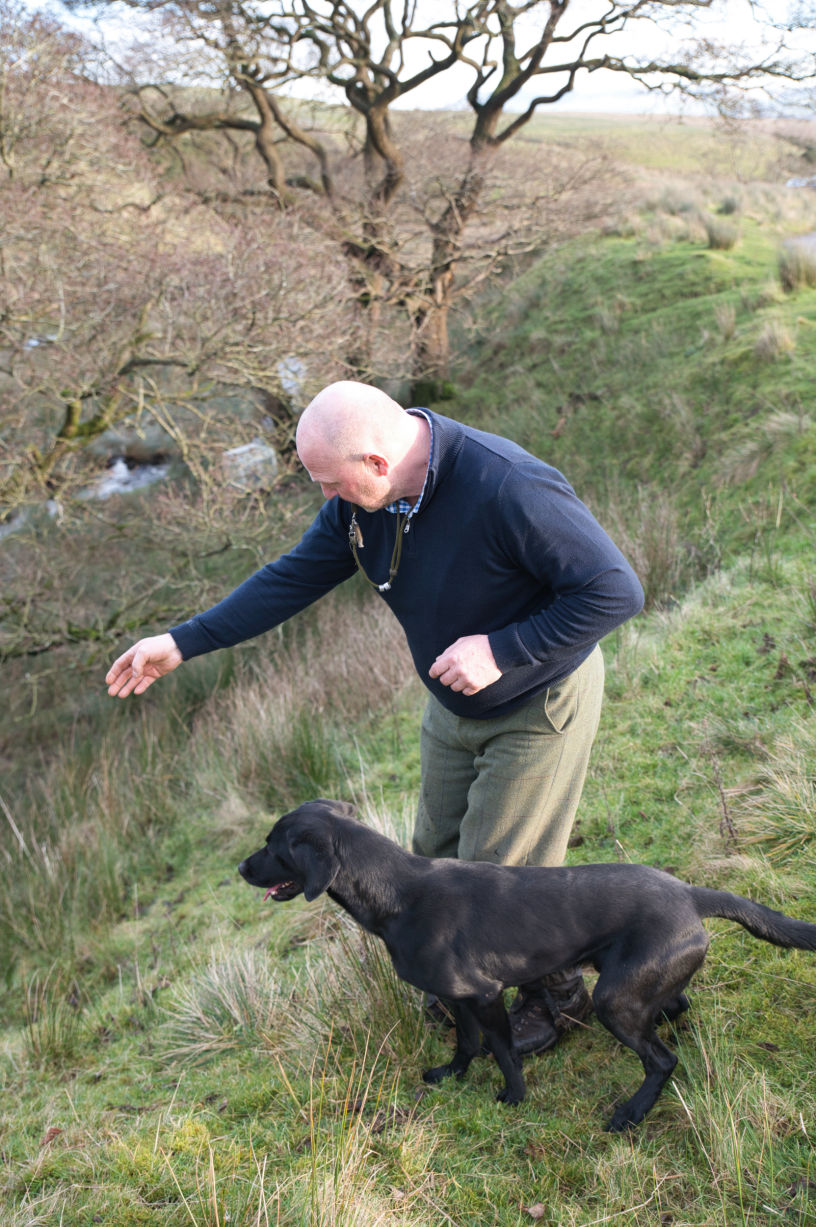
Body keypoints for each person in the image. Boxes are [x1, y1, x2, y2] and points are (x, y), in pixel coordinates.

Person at [106, 380, 644, 1053]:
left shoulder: (508, 487)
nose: (326, 501)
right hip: (451, 706)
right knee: (431, 860)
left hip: (537, 701)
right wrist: (182, 641)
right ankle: (465, 977)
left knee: (500, 875)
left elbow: (616, 589)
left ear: (378, 463)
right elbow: (292, 575)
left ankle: (558, 999)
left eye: (332, 484)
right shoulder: (366, 501)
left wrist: (503, 648)